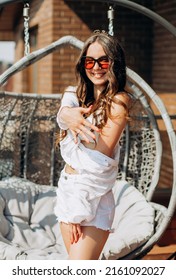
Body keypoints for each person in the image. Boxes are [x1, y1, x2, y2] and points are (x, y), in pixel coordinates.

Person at [54, 30, 132, 260]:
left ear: (114, 63)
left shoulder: (119, 101)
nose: (96, 67)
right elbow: (65, 103)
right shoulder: (77, 96)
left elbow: (98, 164)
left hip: (91, 199)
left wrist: (76, 213)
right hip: (68, 192)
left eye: (103, 60)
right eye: (90, 61)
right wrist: (66, 114)